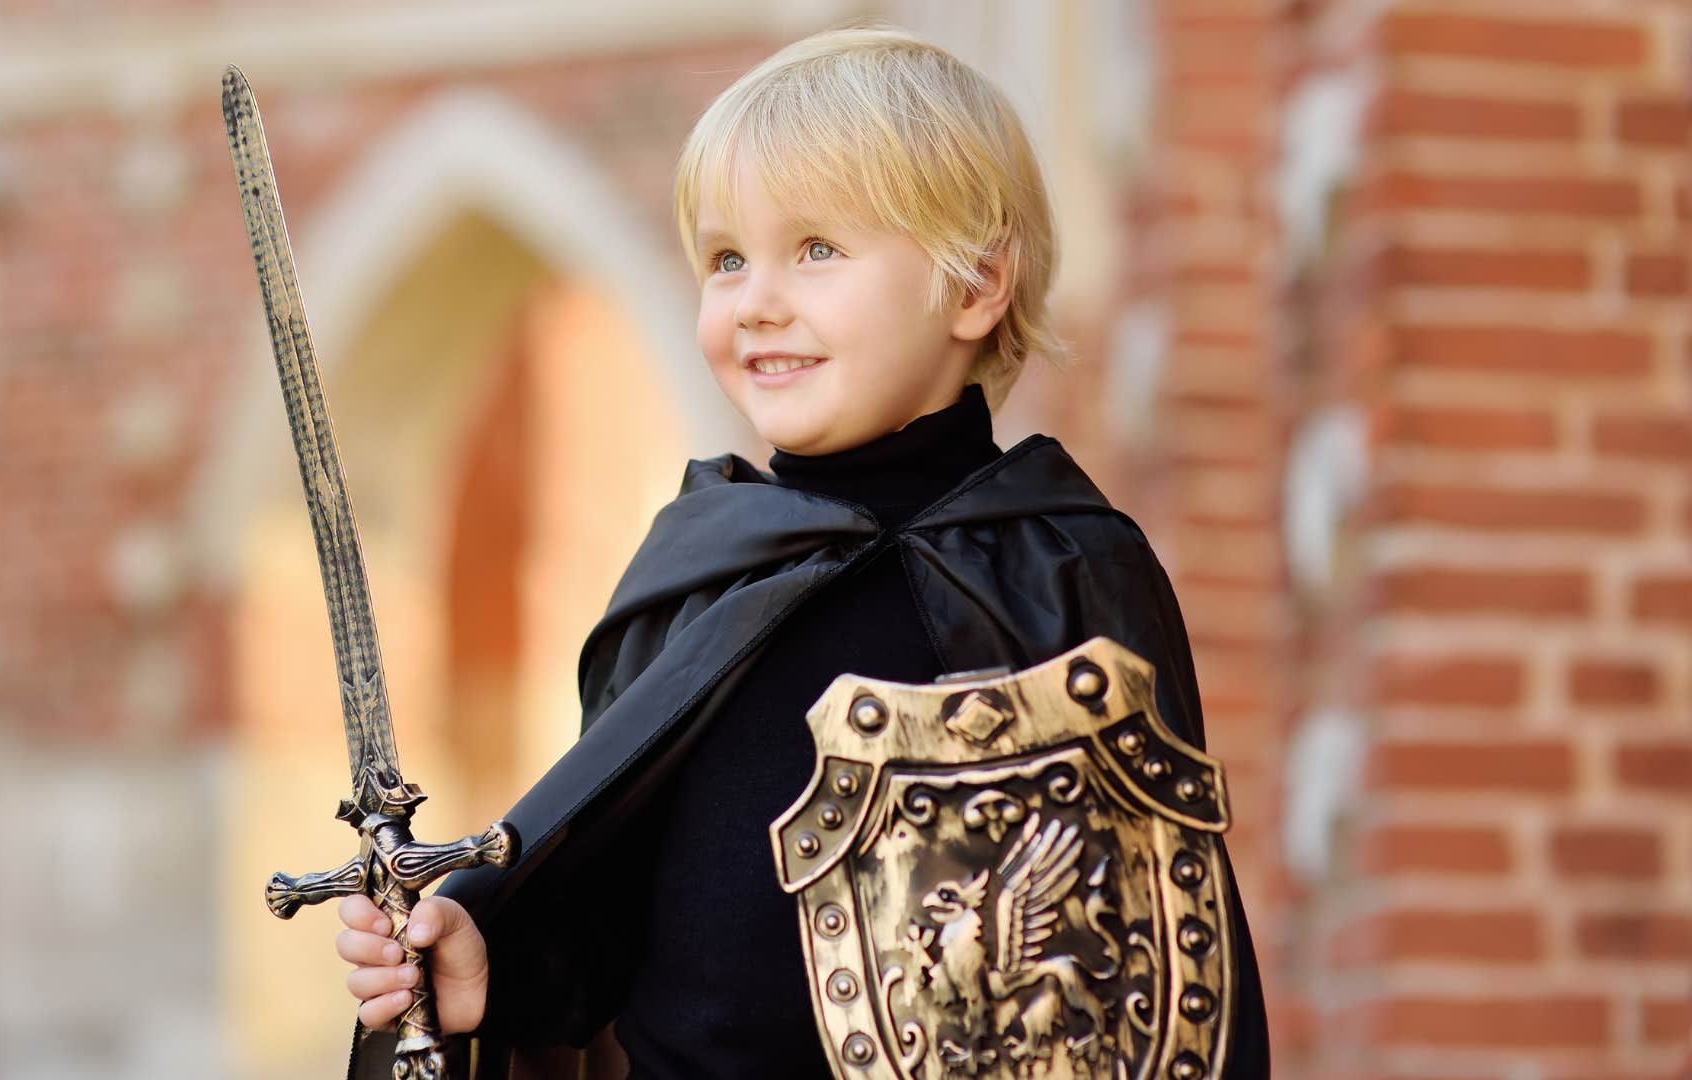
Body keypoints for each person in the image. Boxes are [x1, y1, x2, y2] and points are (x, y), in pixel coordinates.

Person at [336, 22, 1270, 1079]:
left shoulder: (1067, 570)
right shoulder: (695, 570)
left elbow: (1153, 966)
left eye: (817, 250)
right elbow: (605, 921)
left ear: (975, 287)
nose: (758, 301)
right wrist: (493, 966)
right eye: (727, 259)